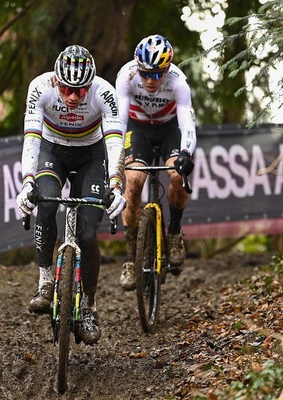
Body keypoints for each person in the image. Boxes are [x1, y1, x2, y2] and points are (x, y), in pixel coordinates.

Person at [16, 45, 126, 345]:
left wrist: (116, 184)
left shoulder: (104, 93)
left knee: (88, 236)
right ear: (56, 81)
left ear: (90, 85)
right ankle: (44, 281)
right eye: (67, 89)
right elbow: (31, 139)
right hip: (52, 151)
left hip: (91, 156)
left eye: (80, 90)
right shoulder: (39, 87)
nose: (74, 97)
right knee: (46, 203)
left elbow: (115, 142)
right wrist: (27, 182)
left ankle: (89, 307)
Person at [115, 34, 196, 291]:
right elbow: (119, 123)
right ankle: (130, 257)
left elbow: (187, 123)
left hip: (169, 128)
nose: (150, 80)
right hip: (138, 129)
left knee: (176, 175)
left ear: (168, 69)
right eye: (145, 74)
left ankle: (174, 233)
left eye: (157, 74)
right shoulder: (126, 77)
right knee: (134, 180)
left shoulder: (179, 82)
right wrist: (116, 155)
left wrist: (185, 152)